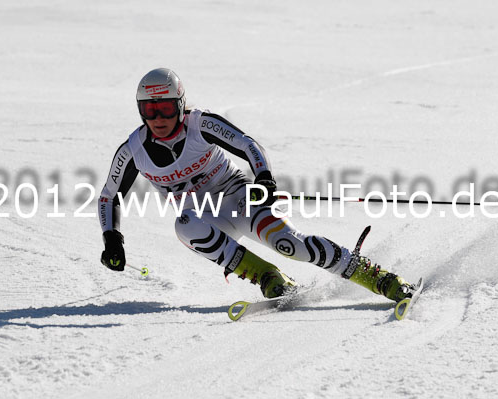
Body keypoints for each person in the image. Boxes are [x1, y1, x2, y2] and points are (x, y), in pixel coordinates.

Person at [98, 67, 417, 301]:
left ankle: (381, 279)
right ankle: (268, 277)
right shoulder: (133, 151)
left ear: (180, 104)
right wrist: (112, 238)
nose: (158, 117)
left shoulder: (200, 124)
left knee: (291, 245)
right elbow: (109, 197)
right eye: (150, 110)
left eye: (166, 107)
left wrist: (264, 177)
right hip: (205, 217)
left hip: (237, 196)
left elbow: (247, 144)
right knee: (185, 225)